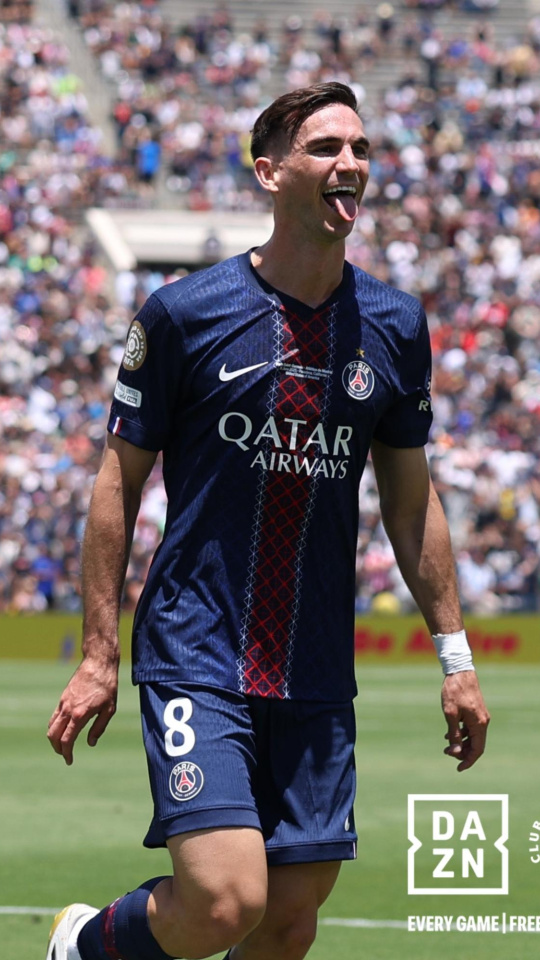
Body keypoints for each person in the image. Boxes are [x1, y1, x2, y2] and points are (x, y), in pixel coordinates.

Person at [46, 81, 490, 960]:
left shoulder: (396, 326)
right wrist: (99, 651)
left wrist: (457, 656)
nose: (351, 165)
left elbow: (413, 503)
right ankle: (84, 946)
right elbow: (115, 484)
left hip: (316, 664)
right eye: (327, 147)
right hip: (197, 648)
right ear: (269, 172)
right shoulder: (184, 314)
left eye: (361, 149)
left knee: (288, 919)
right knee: (223, 902)